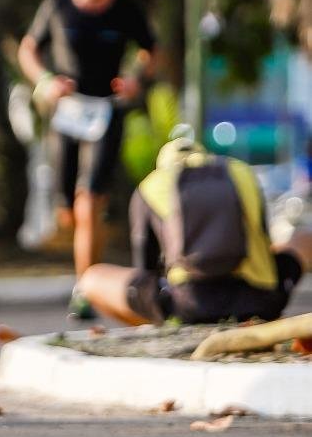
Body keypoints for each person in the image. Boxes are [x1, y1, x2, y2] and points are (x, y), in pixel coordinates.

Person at [18, 0, 156, 293]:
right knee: (69, 208)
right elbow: (28, 49)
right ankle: (90, 270)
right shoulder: (57, 6)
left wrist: (135, 78)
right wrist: (45, 80)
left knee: (90, 198)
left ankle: (85, 289)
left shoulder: (126, 9)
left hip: (107, 111)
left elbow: (151, 51)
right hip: (67, 112)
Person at [79, 134, 311, 326]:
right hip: (261, 301)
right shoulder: (240, 171)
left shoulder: (150, 185)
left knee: (91, 278)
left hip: (188, 306)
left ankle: (157, 327)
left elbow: (146, 268)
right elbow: (263, 240)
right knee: (304, 238)